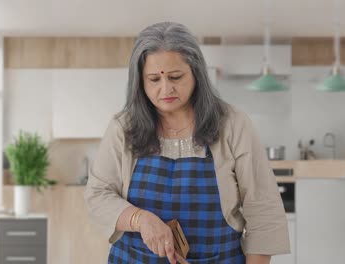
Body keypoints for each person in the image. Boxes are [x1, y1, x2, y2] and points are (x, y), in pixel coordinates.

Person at [84, 21, 290, 264]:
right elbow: (97, 195)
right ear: (140, 82)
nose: (165, 88)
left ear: (196, 73)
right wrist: (140, 219)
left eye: (175, 76)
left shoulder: (233, 124)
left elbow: (263, 210)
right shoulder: (123, 127)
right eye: (153, 79)